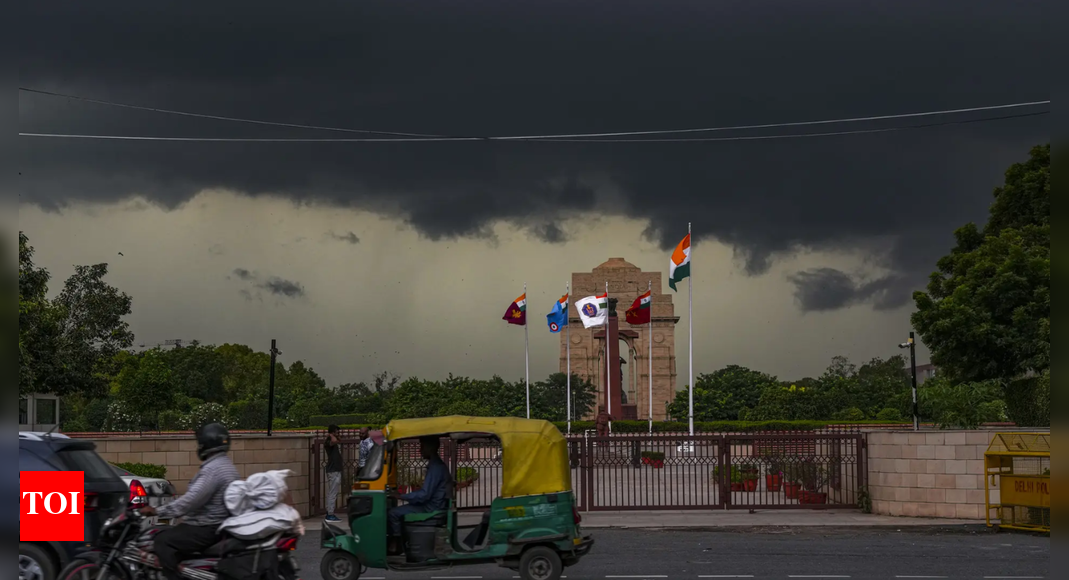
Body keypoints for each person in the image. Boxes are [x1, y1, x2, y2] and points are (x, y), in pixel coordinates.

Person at [140, 423, 239, 580]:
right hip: (217, 526)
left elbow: (190, 501)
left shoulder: (213, 470)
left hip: (206, 527)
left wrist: (157, 511)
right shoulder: (226, 465)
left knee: (162, 541)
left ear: (205, 444)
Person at [386, 436, 451, 554]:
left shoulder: (436, 467)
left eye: (422, 447)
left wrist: (402, 496)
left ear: (431, 448)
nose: (420, 450)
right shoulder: (435, 465)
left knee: (393, 513)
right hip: (432, 504)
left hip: (431, 508)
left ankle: (395, 545)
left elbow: (424, 495)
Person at [324, 425, 343, 523]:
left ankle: (330, 513)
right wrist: (331, 435)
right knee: (332, 493)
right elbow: (335, 441)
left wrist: (334, 435)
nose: (338, 434)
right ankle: (330, 514)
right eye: (336, 432)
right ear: (332, 432)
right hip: (333, 470)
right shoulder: (328, 441)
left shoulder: (332, 440)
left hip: (336, 470)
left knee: (333, 492)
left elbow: (338, 440)